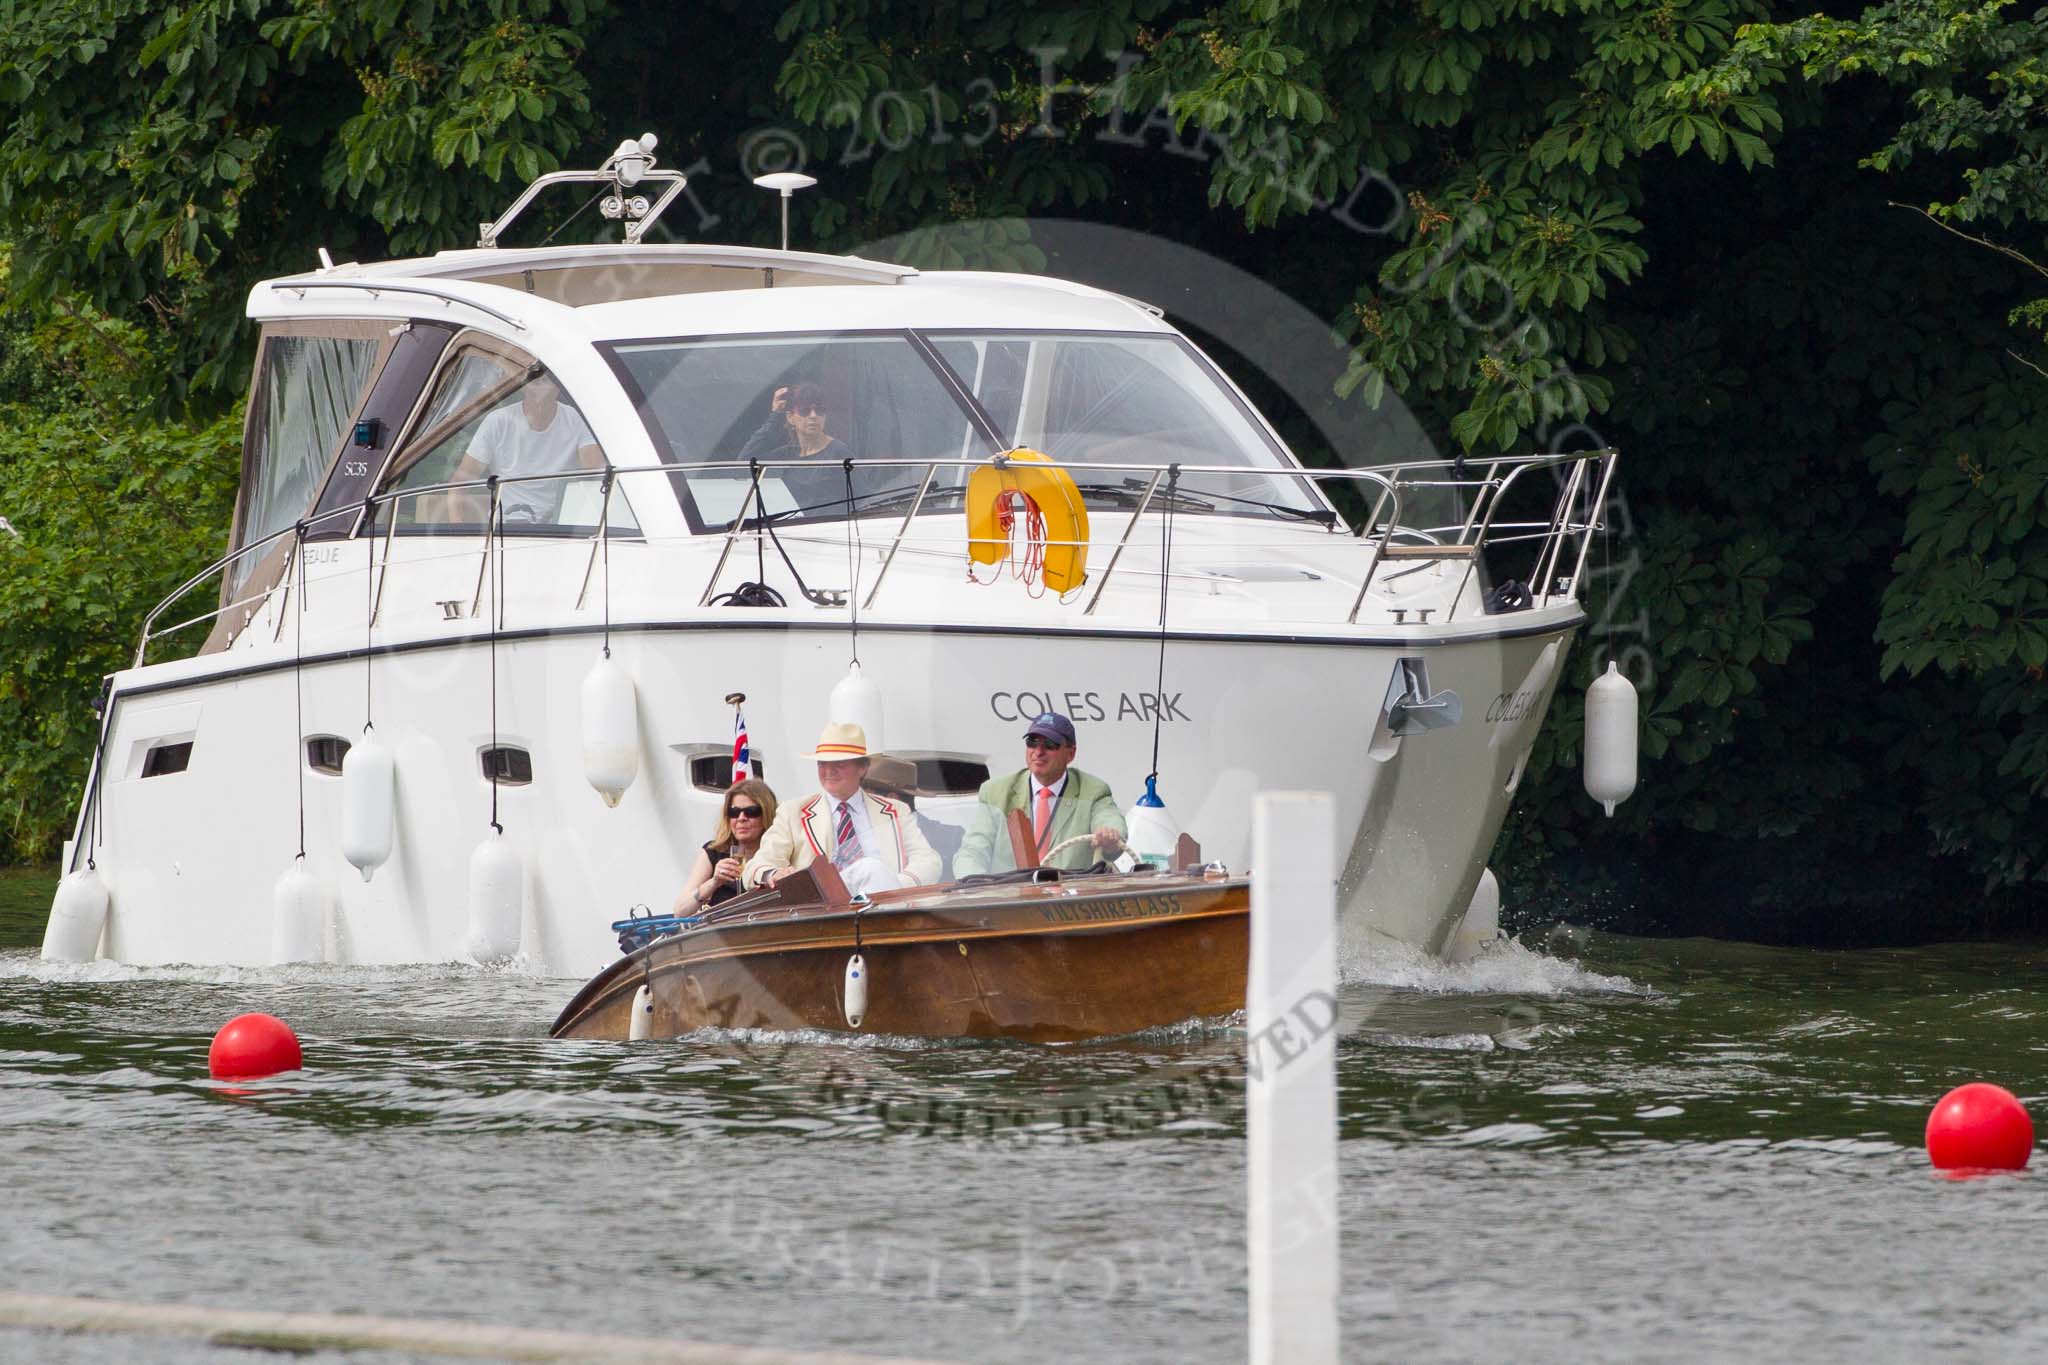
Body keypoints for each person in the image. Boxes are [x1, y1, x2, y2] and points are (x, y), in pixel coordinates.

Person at [743, 722, 940, 896]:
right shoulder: (793, 811)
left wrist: (895, 886)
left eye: (839, 763)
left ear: (863, 767)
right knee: (869, 868)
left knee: (871, 869)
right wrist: (774, 873)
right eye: (822, 763)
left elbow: (928, 860)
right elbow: (756, 867)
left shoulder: (896, 810)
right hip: (823, 918)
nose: (829, 771)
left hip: (885, 912)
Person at [953, 711, 1124, 876]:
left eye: (1050, 745)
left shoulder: (1094, 790)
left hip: (1069, 900)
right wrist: (974, 885)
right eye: (1032, 742)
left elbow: (1110, 820)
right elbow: (973, 850)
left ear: (1070, 754)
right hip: (1008, 898)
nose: (1038, 751)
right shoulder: (994, 791)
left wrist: (1109, 833)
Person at [443, 373, 604, 525]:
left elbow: (596, 475)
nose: (540, 389)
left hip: (560, 526)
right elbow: (460, 481)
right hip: (506, 528)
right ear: (523, 387)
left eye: (546, 381)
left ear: (558, 387)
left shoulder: (576, 419)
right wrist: (456, 526)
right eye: (535, 382)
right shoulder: (498, 421)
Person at [737, 381, 856, 515]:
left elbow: (862, 498)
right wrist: (775, 416)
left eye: (820, 410)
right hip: (792, 528)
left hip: (828, 528)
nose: (813, 416)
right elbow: (744, 462)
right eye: (804, 411)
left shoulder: (838, 452)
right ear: (790, 417)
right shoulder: (788, 454)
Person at [672, 778, 777, 915]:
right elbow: (680, 912)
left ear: (766, 814)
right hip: (721, 933)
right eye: (734, 812)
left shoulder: (777, 853)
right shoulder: (714, 852)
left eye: (751, 811)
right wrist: (714, 882)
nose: (741, 818)